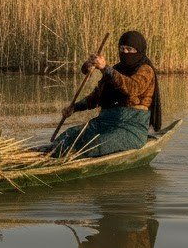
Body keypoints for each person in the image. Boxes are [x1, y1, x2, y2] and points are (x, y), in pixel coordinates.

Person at [51, 30, 162, 158]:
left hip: (130, 128)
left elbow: (132, 88)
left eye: (129, 49)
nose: (125, 52)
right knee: (67, 137)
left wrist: (105, 68)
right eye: (122, 48)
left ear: (139, 50)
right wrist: (74, 108)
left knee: (95, 146)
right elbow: (97, 96)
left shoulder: (145, 70)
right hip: (104, 122)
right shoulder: (116, 70)